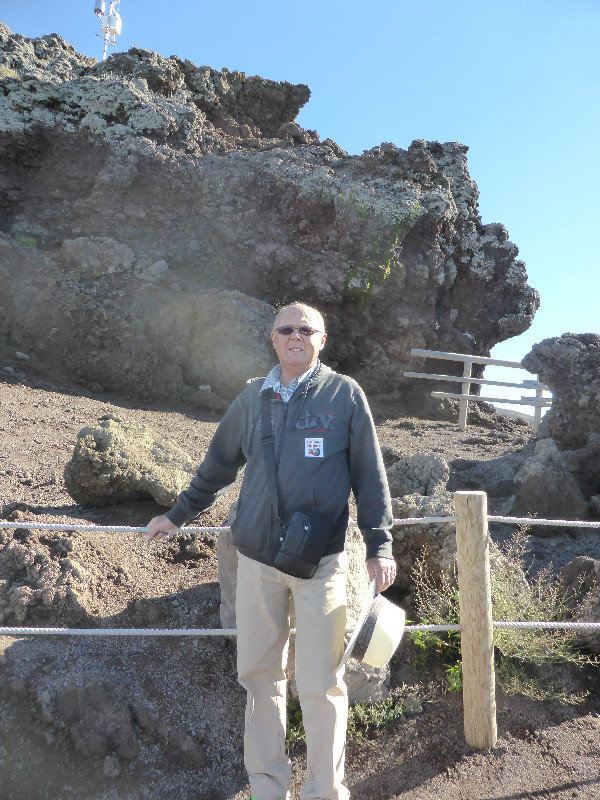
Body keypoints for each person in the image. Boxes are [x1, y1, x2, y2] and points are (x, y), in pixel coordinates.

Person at [145, 302, 396, 800]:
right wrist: (177, 516)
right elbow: (217, 466)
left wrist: (380, 543)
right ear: (273, 338)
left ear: (322, 339)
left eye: (307, 329)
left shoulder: (345, 395)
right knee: (260, 679)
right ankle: (267, 788)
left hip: (320, 563)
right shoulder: (251, 400)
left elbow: (370, 475)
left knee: (322, 683)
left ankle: (324, 791)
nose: (296, 336)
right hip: (257, 562)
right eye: (287, 329)